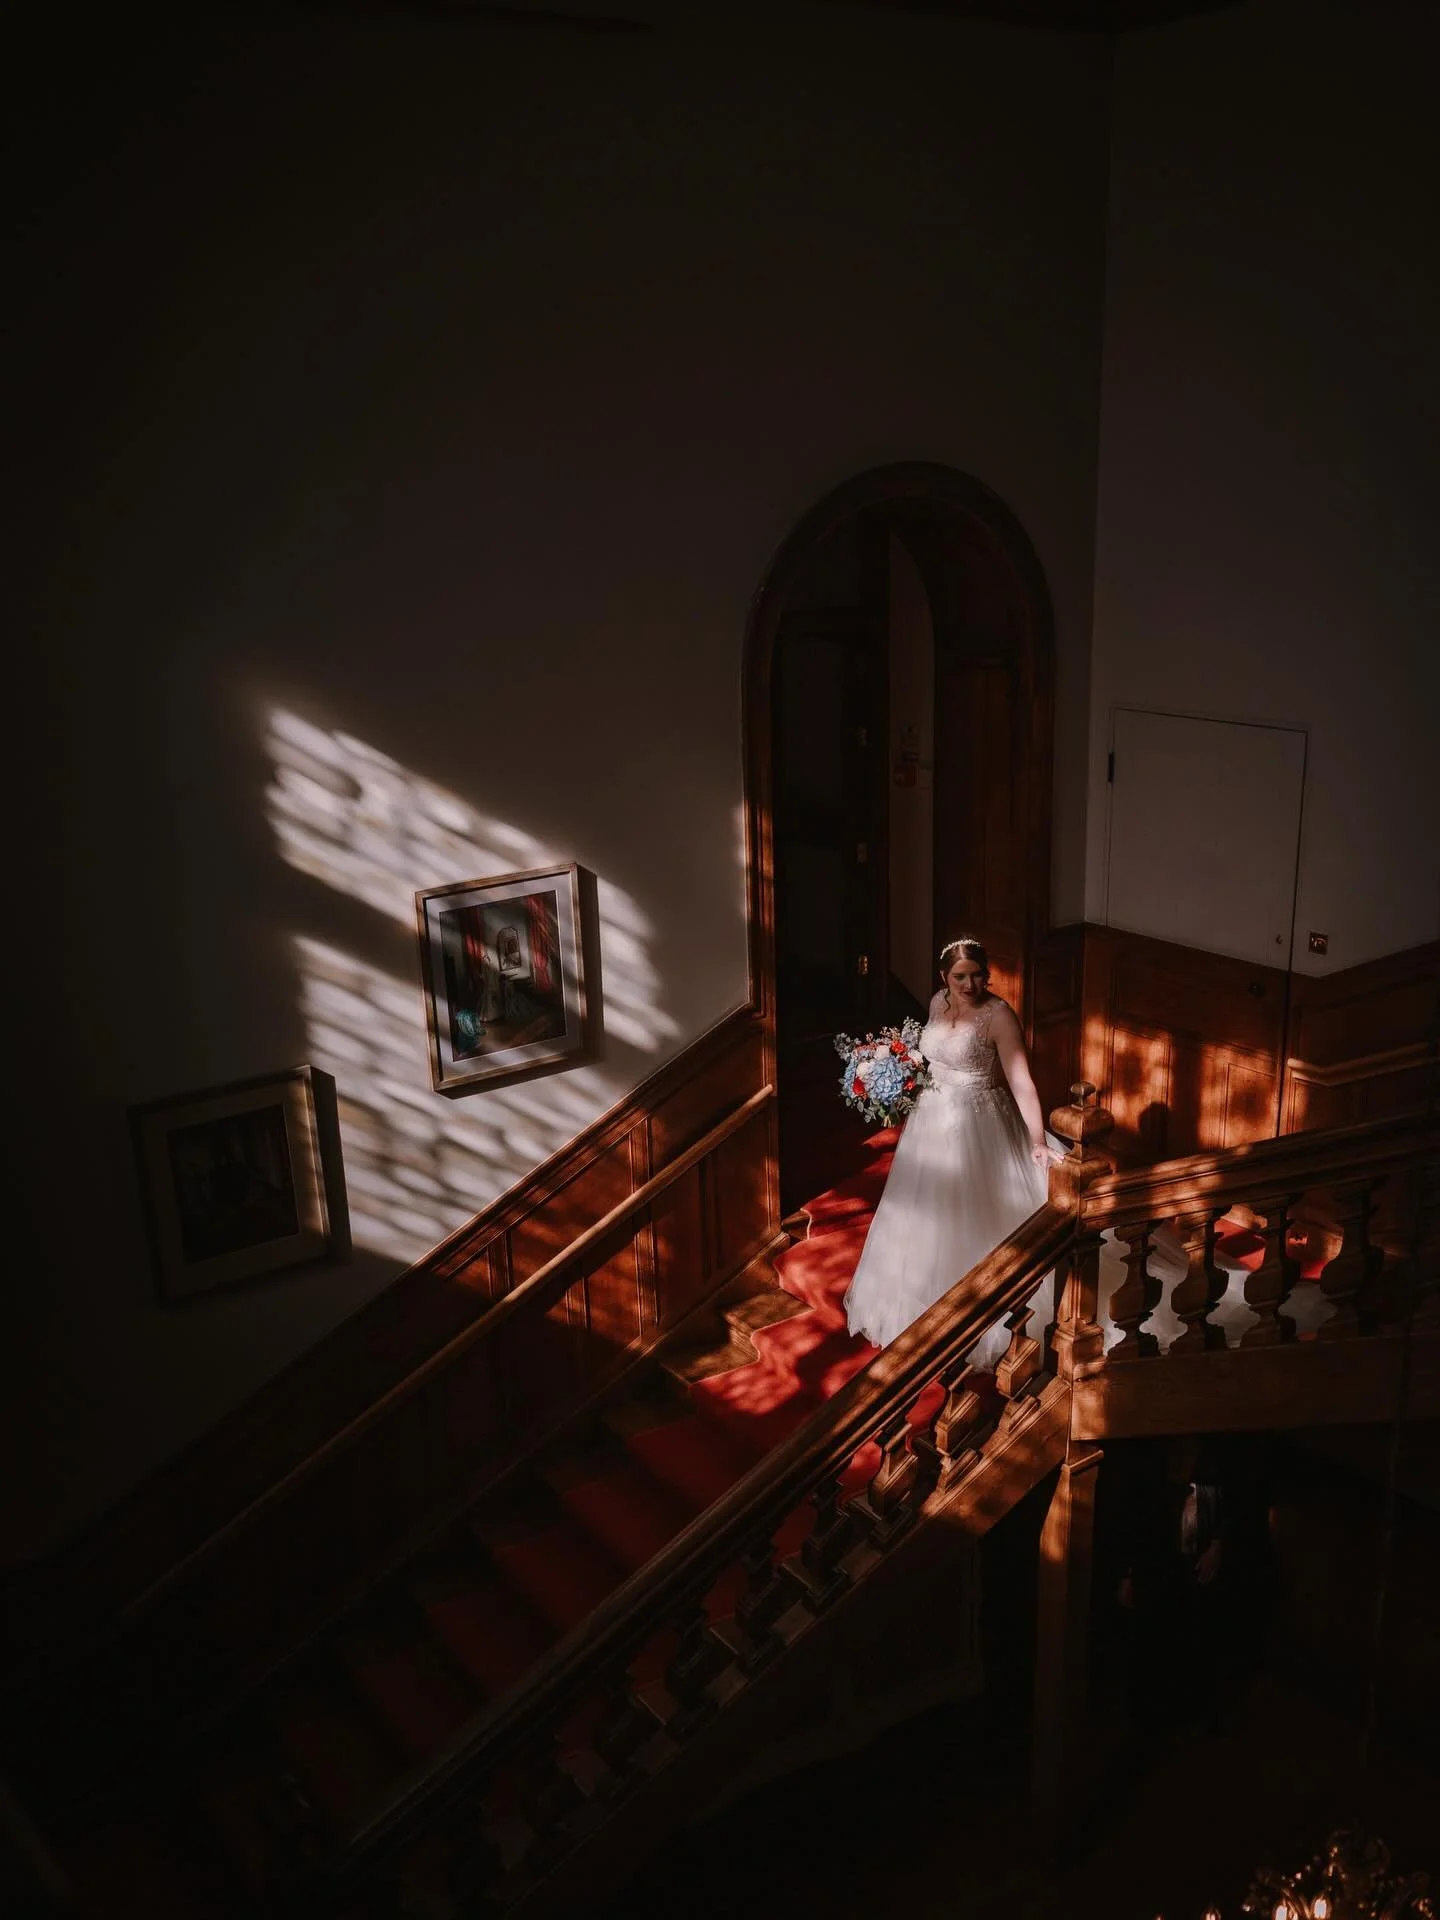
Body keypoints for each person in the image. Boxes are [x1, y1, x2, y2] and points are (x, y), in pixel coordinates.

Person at [842, 936, 1061, 1364]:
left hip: (980, 1122)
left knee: (976, 1213)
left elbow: (1021, 1081)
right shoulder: (936, 1003)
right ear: (944, 977)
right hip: (929, 1120)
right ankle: (920, 1299)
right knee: (923, 1209)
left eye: (978, 975)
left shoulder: (999, 1016)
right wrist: (893, 1068)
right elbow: (931, 1057)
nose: (970, 984)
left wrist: (1036, 1140)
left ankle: (978, 1310)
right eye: (960, 976)